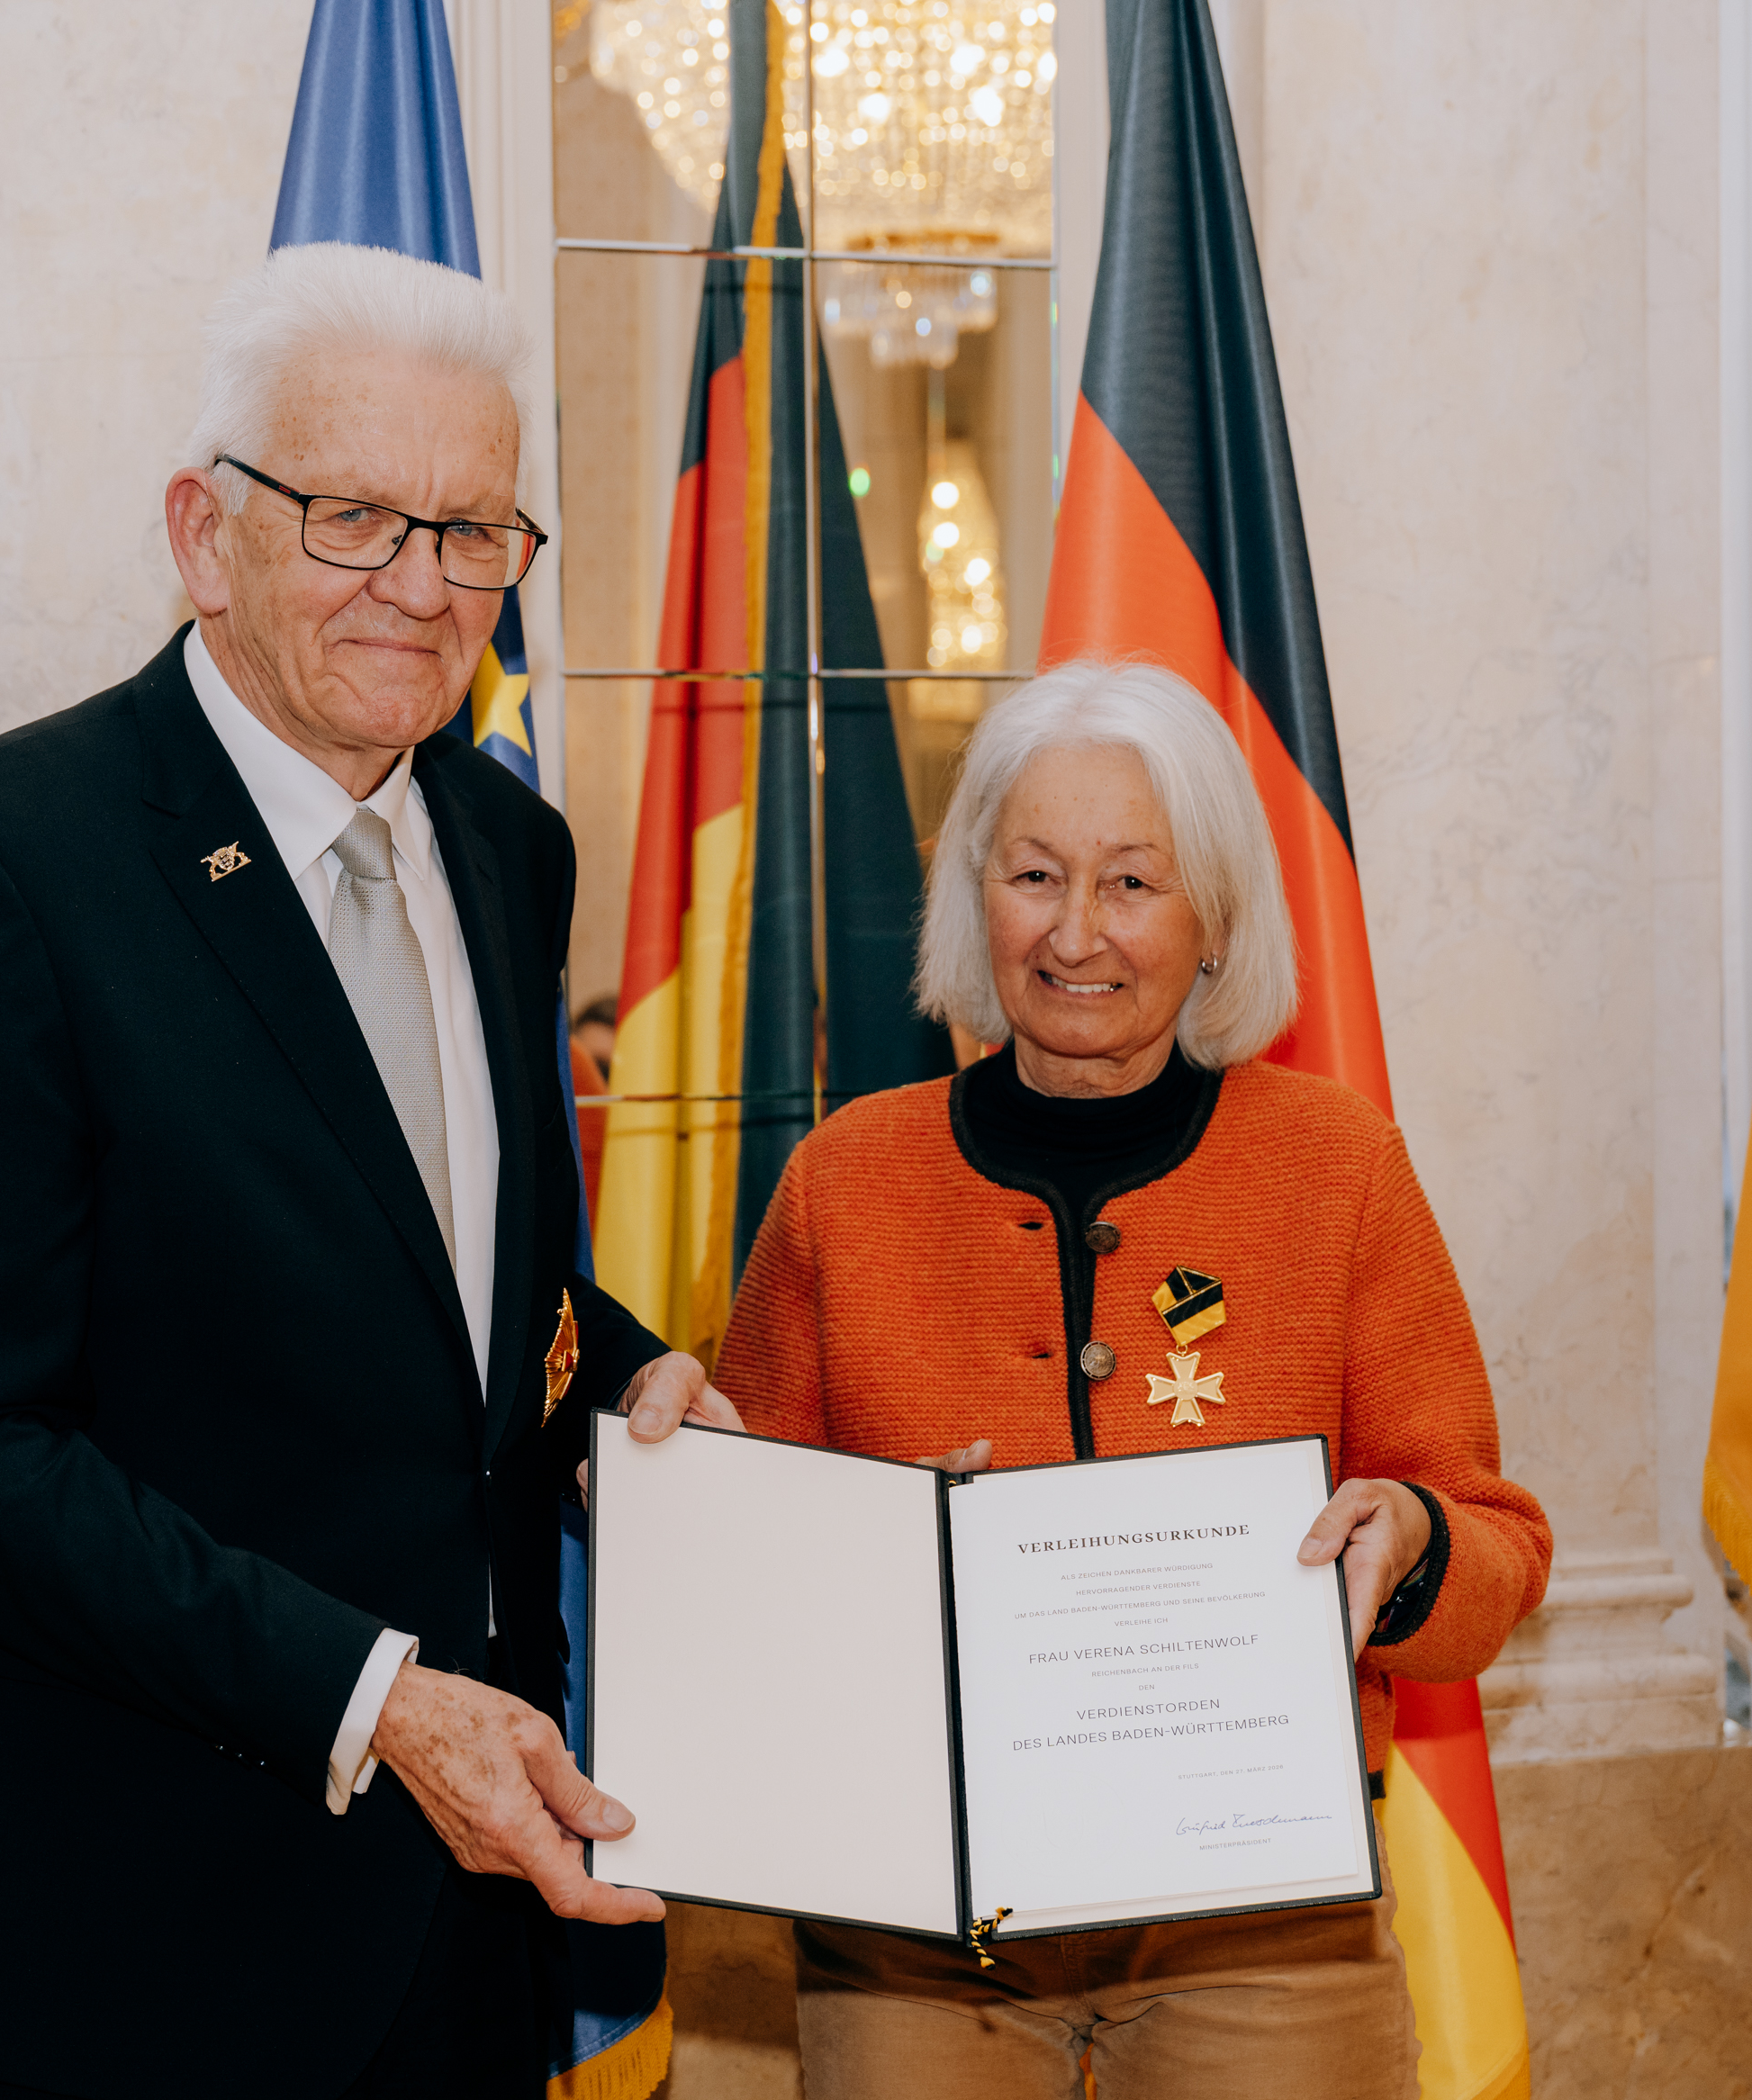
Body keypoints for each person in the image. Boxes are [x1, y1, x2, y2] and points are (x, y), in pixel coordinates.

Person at [0, 243, 732, 2100]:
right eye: (354, 517)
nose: (424, 585)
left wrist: (620, 1379)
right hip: (127, 1928)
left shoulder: (510, 850)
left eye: (473, 531)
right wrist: (373, 1697)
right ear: (203, 533)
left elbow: (436, 1269)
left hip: (466, 1911)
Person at [641, 659, 1552, 2098]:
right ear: (976, 897)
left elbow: (1496, 1542)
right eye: (1035, 875)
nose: (1077, 932)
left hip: (1263, 1928)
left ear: (1215, 918)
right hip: (917, 1938)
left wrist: (1413, 1539)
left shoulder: (1338, 1166)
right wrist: (722, 1491)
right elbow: (751, 1589)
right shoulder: (841, 1181)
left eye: (1133, 882)